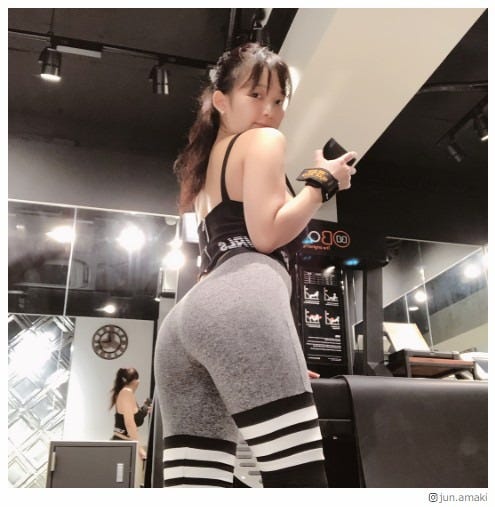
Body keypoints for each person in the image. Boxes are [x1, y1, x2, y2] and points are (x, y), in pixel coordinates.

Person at [154, 42, 357, 488]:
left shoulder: (205, 169)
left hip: (185, 324)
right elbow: (266, 237)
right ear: (221, 100)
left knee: (196, 488)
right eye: (256, 95)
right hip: (242, 303)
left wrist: (271, 349)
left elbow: (217, 270)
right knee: (299, 485)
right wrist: (323, 183)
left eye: (280, 100)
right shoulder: (264, 141)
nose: (269, 111)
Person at [110, 367, 150, 462]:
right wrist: (139, 449)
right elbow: (129, 423)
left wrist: (144, 411)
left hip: (124, 444)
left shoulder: (126, 393)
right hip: (121, 444)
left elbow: (133, 418)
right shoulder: (126, 393)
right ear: (135, 381)